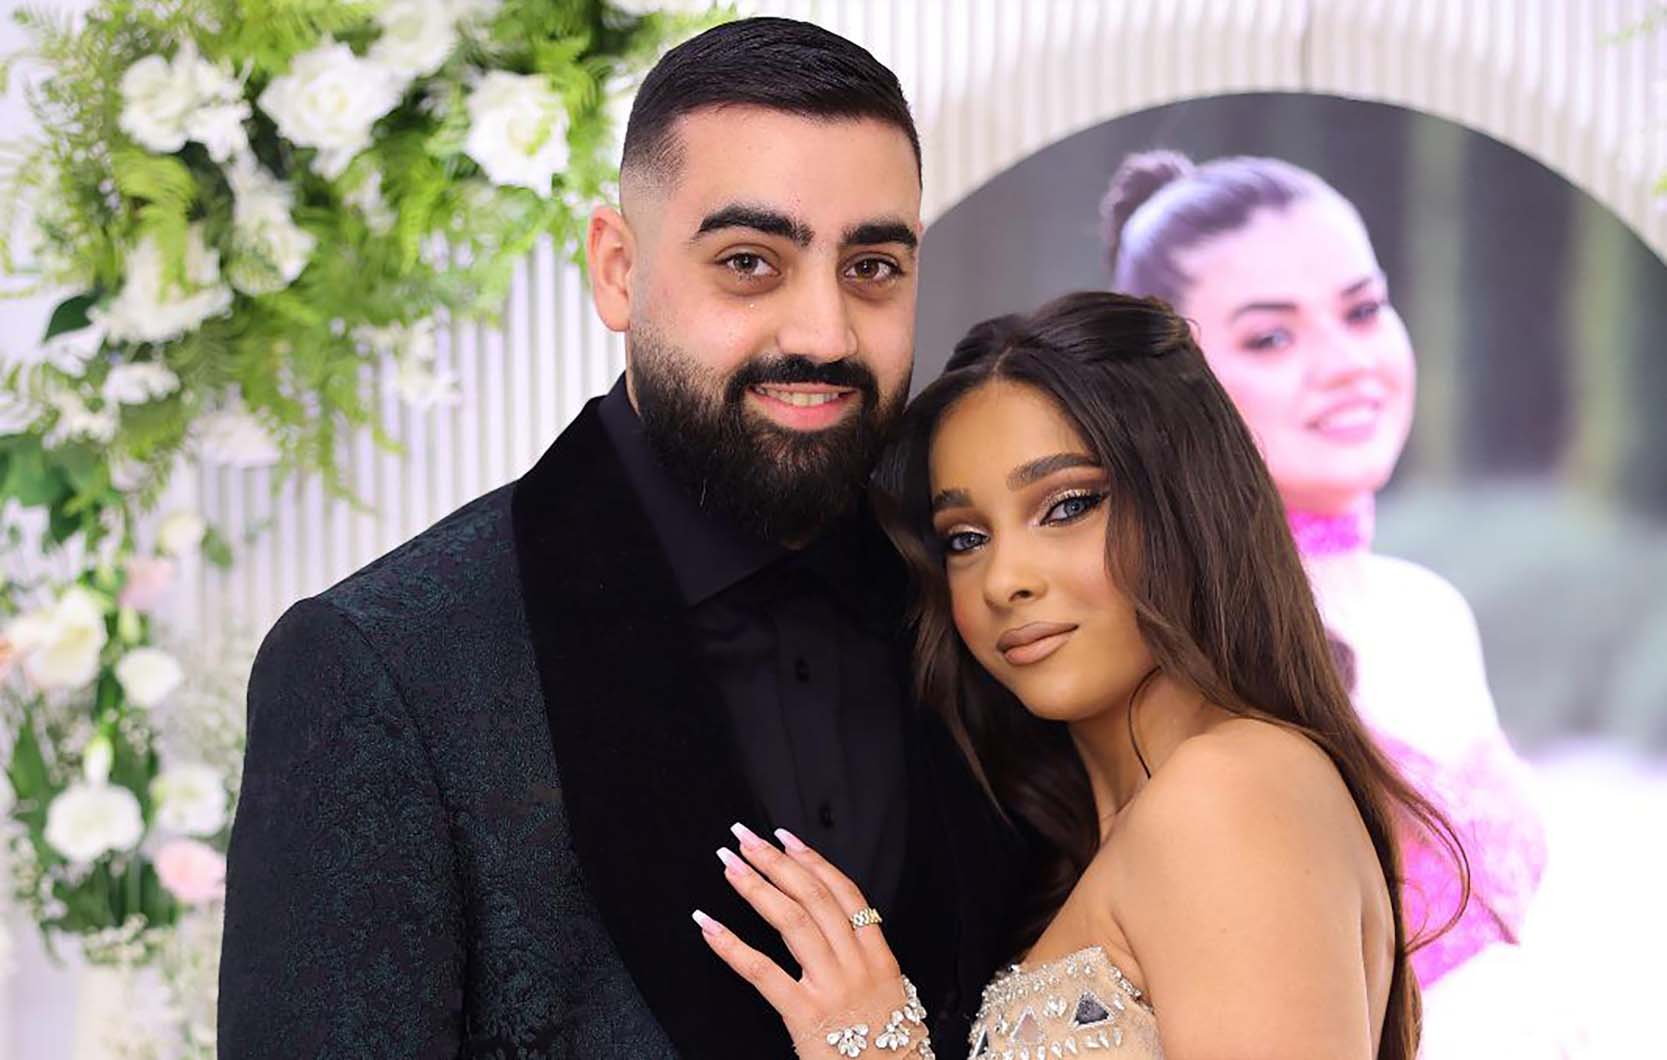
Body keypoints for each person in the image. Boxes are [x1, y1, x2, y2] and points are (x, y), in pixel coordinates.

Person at [218, 18, 1019, 1057]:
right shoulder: (380, 668)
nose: (824, 333)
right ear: (616, 268)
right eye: (749, 261)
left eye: (871, 266)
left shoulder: (983, 603)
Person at [699, 292, 1458, 1059]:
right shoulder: (1112, 829)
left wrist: (877, 1048)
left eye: (1066, 506)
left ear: (1188, 503)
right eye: (964, 539)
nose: (1005, 581)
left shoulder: (1226, 793)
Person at [1099, 151, 1561, 1056]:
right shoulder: (1173, 654)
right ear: (1165, 391)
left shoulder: (1426, 607)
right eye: (1271, 338)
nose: (1347, 364)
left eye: (1361, 309)